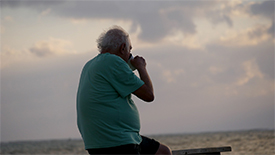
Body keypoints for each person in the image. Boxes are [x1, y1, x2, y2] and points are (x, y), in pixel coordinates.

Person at [77, 25, 172, 155]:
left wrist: (130, 63)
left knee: (162, 152)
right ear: (123, 48)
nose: (130, 54)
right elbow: (149, 95)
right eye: (129, 50)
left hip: (97, 142)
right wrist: (141, 67)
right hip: (118, 142)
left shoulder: (92, 64)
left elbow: (121, 72)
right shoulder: (113, 62)